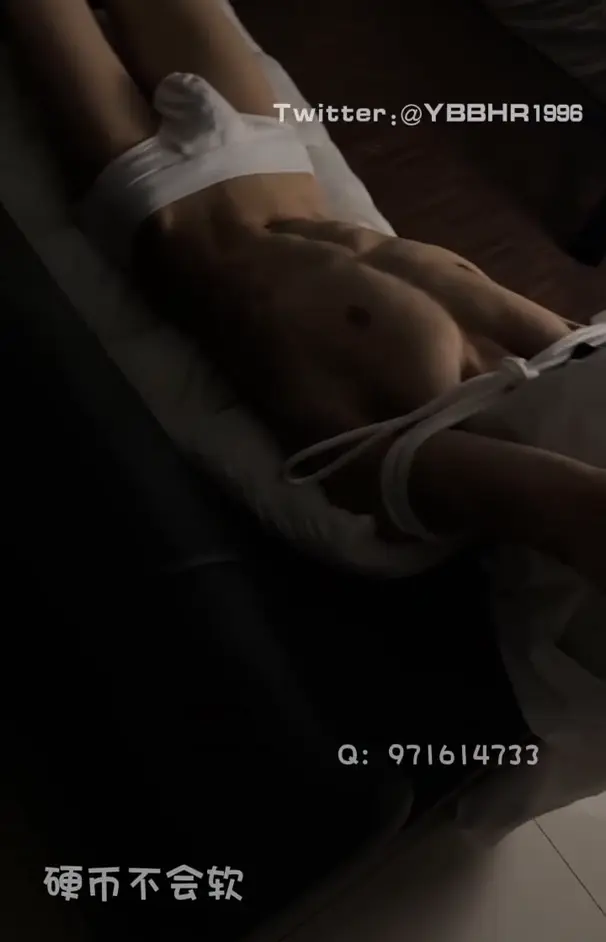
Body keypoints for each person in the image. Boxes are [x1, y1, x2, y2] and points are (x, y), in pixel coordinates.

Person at [6, 0, 606, 594]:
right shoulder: (558, 349)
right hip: (274, 156)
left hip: (159, 195)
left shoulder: (415, 468)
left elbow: (572, 508)